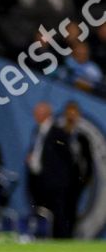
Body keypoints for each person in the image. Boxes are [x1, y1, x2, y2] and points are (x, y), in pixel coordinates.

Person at [32, 101, 94, 237]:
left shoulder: (77, 136)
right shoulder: (55, 132)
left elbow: (80, 161)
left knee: (65, 215)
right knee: (53, 214)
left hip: (69, 183)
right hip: (52, 182)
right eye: (69, 114)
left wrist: (82, 180)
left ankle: (65, 239)